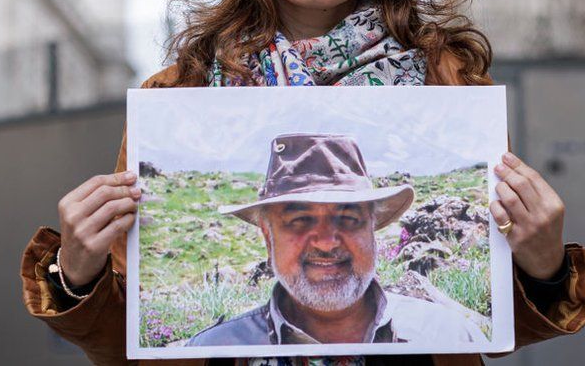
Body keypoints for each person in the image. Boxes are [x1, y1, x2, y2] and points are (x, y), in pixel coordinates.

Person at [20, 0, 585, 365]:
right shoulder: (181, 94)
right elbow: (132, 347)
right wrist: (77, 272)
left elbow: (488, 335)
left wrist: (542, 268)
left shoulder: (448, 83)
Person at [186, 133, 487, 346]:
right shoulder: (217, 348)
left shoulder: (449, 335)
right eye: (300, 220)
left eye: (348, 218)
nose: (327, 243)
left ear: (372, 228)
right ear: (268, 238)